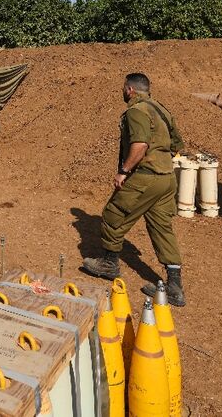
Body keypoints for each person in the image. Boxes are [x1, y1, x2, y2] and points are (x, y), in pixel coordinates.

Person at [82, 73, 187, 307]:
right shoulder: (161, 110)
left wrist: (125, 171)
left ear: (130, 90)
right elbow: (177, 145)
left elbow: (140, 145)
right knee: (162, 228)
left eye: (123, 88)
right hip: (167, 178)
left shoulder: (136, 111)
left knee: (112, 215)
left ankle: (109, 263)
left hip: (146, 176)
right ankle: (174, 285)